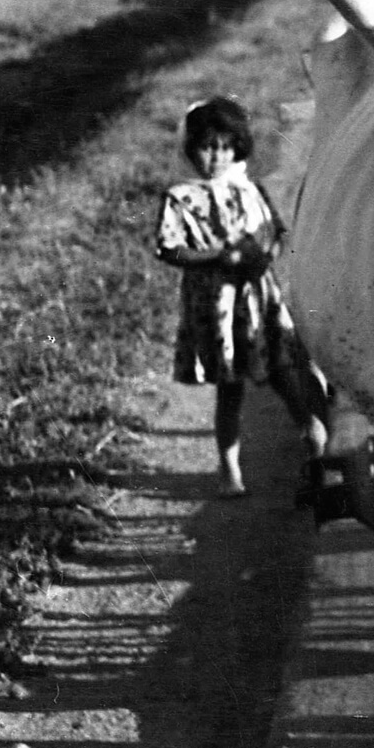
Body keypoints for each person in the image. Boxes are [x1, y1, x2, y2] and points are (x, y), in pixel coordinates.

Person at [153, 97, 328, 495]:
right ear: (191, 148)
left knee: (284, 370)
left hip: (258, 296)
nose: (215, 157)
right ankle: (229, 468)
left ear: (237, 149)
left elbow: (276, 232)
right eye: (206, 147)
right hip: (215, 302)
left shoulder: (249, 190)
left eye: (224, 147)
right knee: (229, 386)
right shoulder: (182, 197)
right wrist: (216, 255)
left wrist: (264, 253)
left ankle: (312, 438)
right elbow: (169, 247)